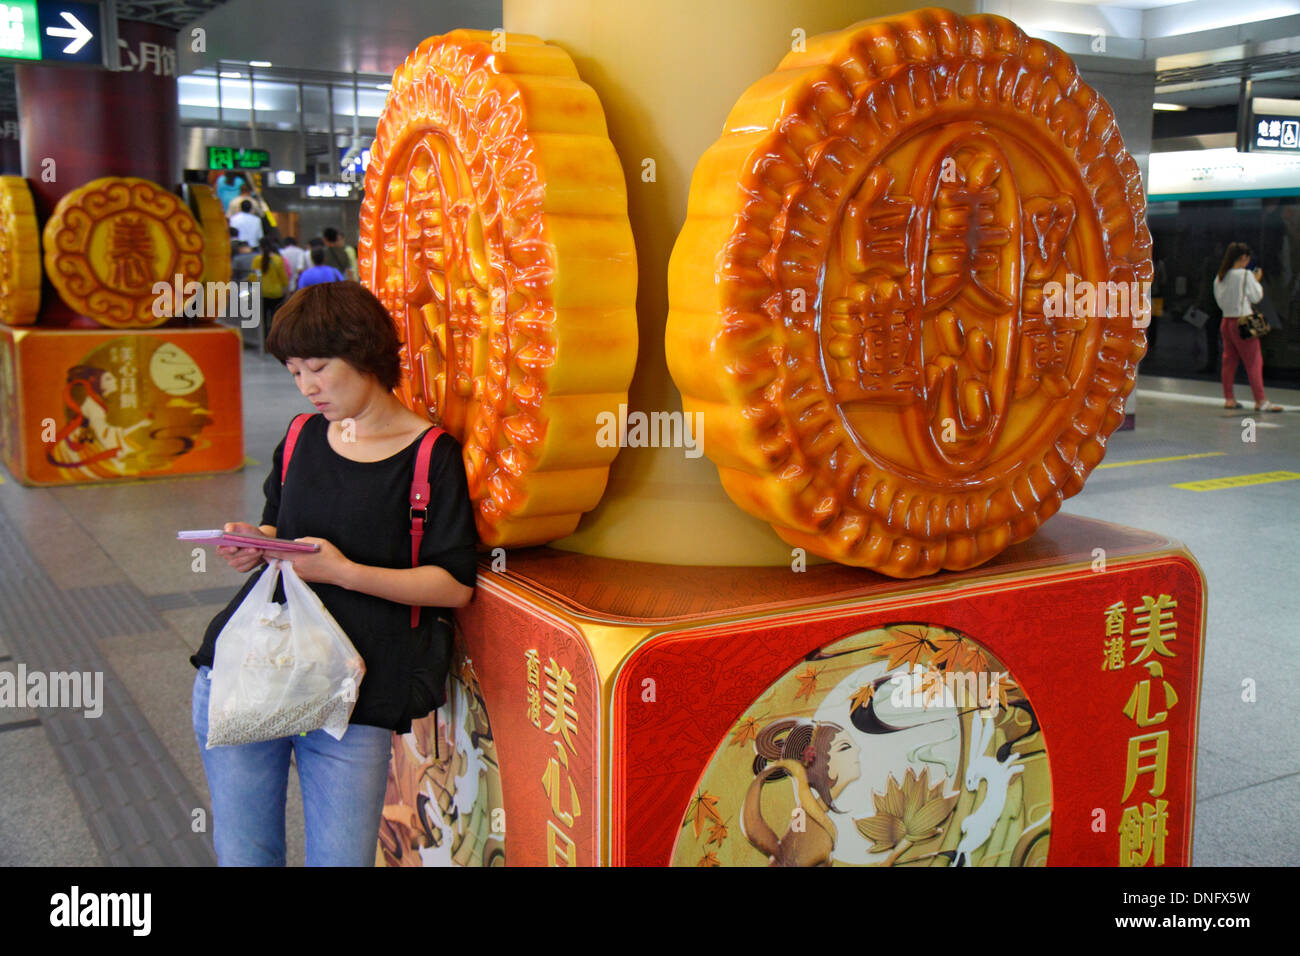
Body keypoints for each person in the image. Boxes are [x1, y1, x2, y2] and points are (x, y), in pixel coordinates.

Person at [190, 281, 479, 866]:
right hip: (252, 672)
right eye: (295, 371)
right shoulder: (300, 437)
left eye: (319, 367)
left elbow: (453, 583)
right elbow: (280, 528)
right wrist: (256, 543)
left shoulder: (430, 457)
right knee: (244, 856)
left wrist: (345, 571)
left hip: (355, 698)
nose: (307, 387)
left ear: (366, 353)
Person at [1212, 242, 1283, 412]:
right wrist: (1256, 280)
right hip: (1242, 321)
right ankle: (1260, 401)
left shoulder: (1220, 276)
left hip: (1226, 321)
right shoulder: (1245, 275)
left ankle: (1229, 398)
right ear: (1243, 257)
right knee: (1254, 362)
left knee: (1229, 361)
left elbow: (1219, 301)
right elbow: (1256, 296)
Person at [250, 238, 289, 344]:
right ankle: (274, 341)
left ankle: (264, 342)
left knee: (262, 319)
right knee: (275, 319)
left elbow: (253, 277)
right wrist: (286, 288)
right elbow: (283, 277)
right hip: (276, 293)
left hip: (262, 293)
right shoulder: (278, 259)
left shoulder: (257, 259)